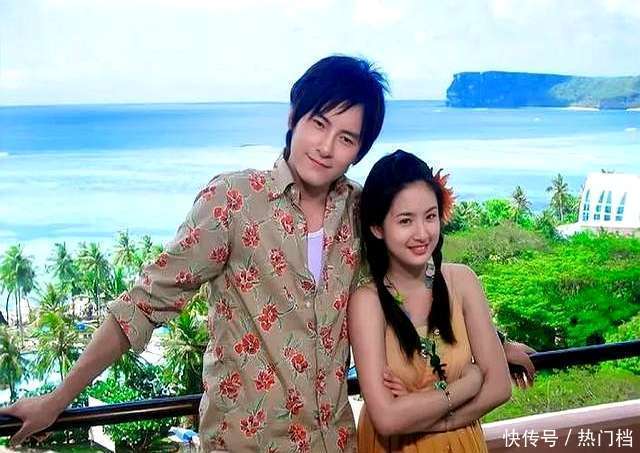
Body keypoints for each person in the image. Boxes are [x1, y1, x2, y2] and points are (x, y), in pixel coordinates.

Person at [0, 56, 533, 452]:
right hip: (246, 442)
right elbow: (141, 306)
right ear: (294, 117)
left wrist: (492, 344)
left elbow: (410, 280)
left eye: (346, 138)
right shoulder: (233, 202)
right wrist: (58, 399)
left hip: (336, 443)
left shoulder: (360, 211)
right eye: (318, 123)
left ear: (359, 149)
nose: (326, 146)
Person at [349, 150, 512, 452]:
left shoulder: (462, 281)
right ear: (377, 227)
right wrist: (468, 384)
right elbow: (387, 419)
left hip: (462, 443)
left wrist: (435, 420)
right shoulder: (368, 301)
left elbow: (500, 387)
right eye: (405, 221)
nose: (422, 233)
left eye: (430, 216)